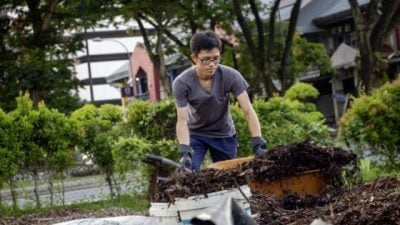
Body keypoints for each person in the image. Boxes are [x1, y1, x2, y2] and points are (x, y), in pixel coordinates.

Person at [172, 30, 267, 171]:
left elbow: (248, 110)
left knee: (228, 175)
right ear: (194, 58)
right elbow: (182, 120)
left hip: (223, 133)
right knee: (189, 171)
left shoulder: (231, 76)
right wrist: (184, 150)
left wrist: (258, 141)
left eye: (216, 58)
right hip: (196, 133)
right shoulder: (182, 82)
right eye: (206, 59)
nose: (212, 64)